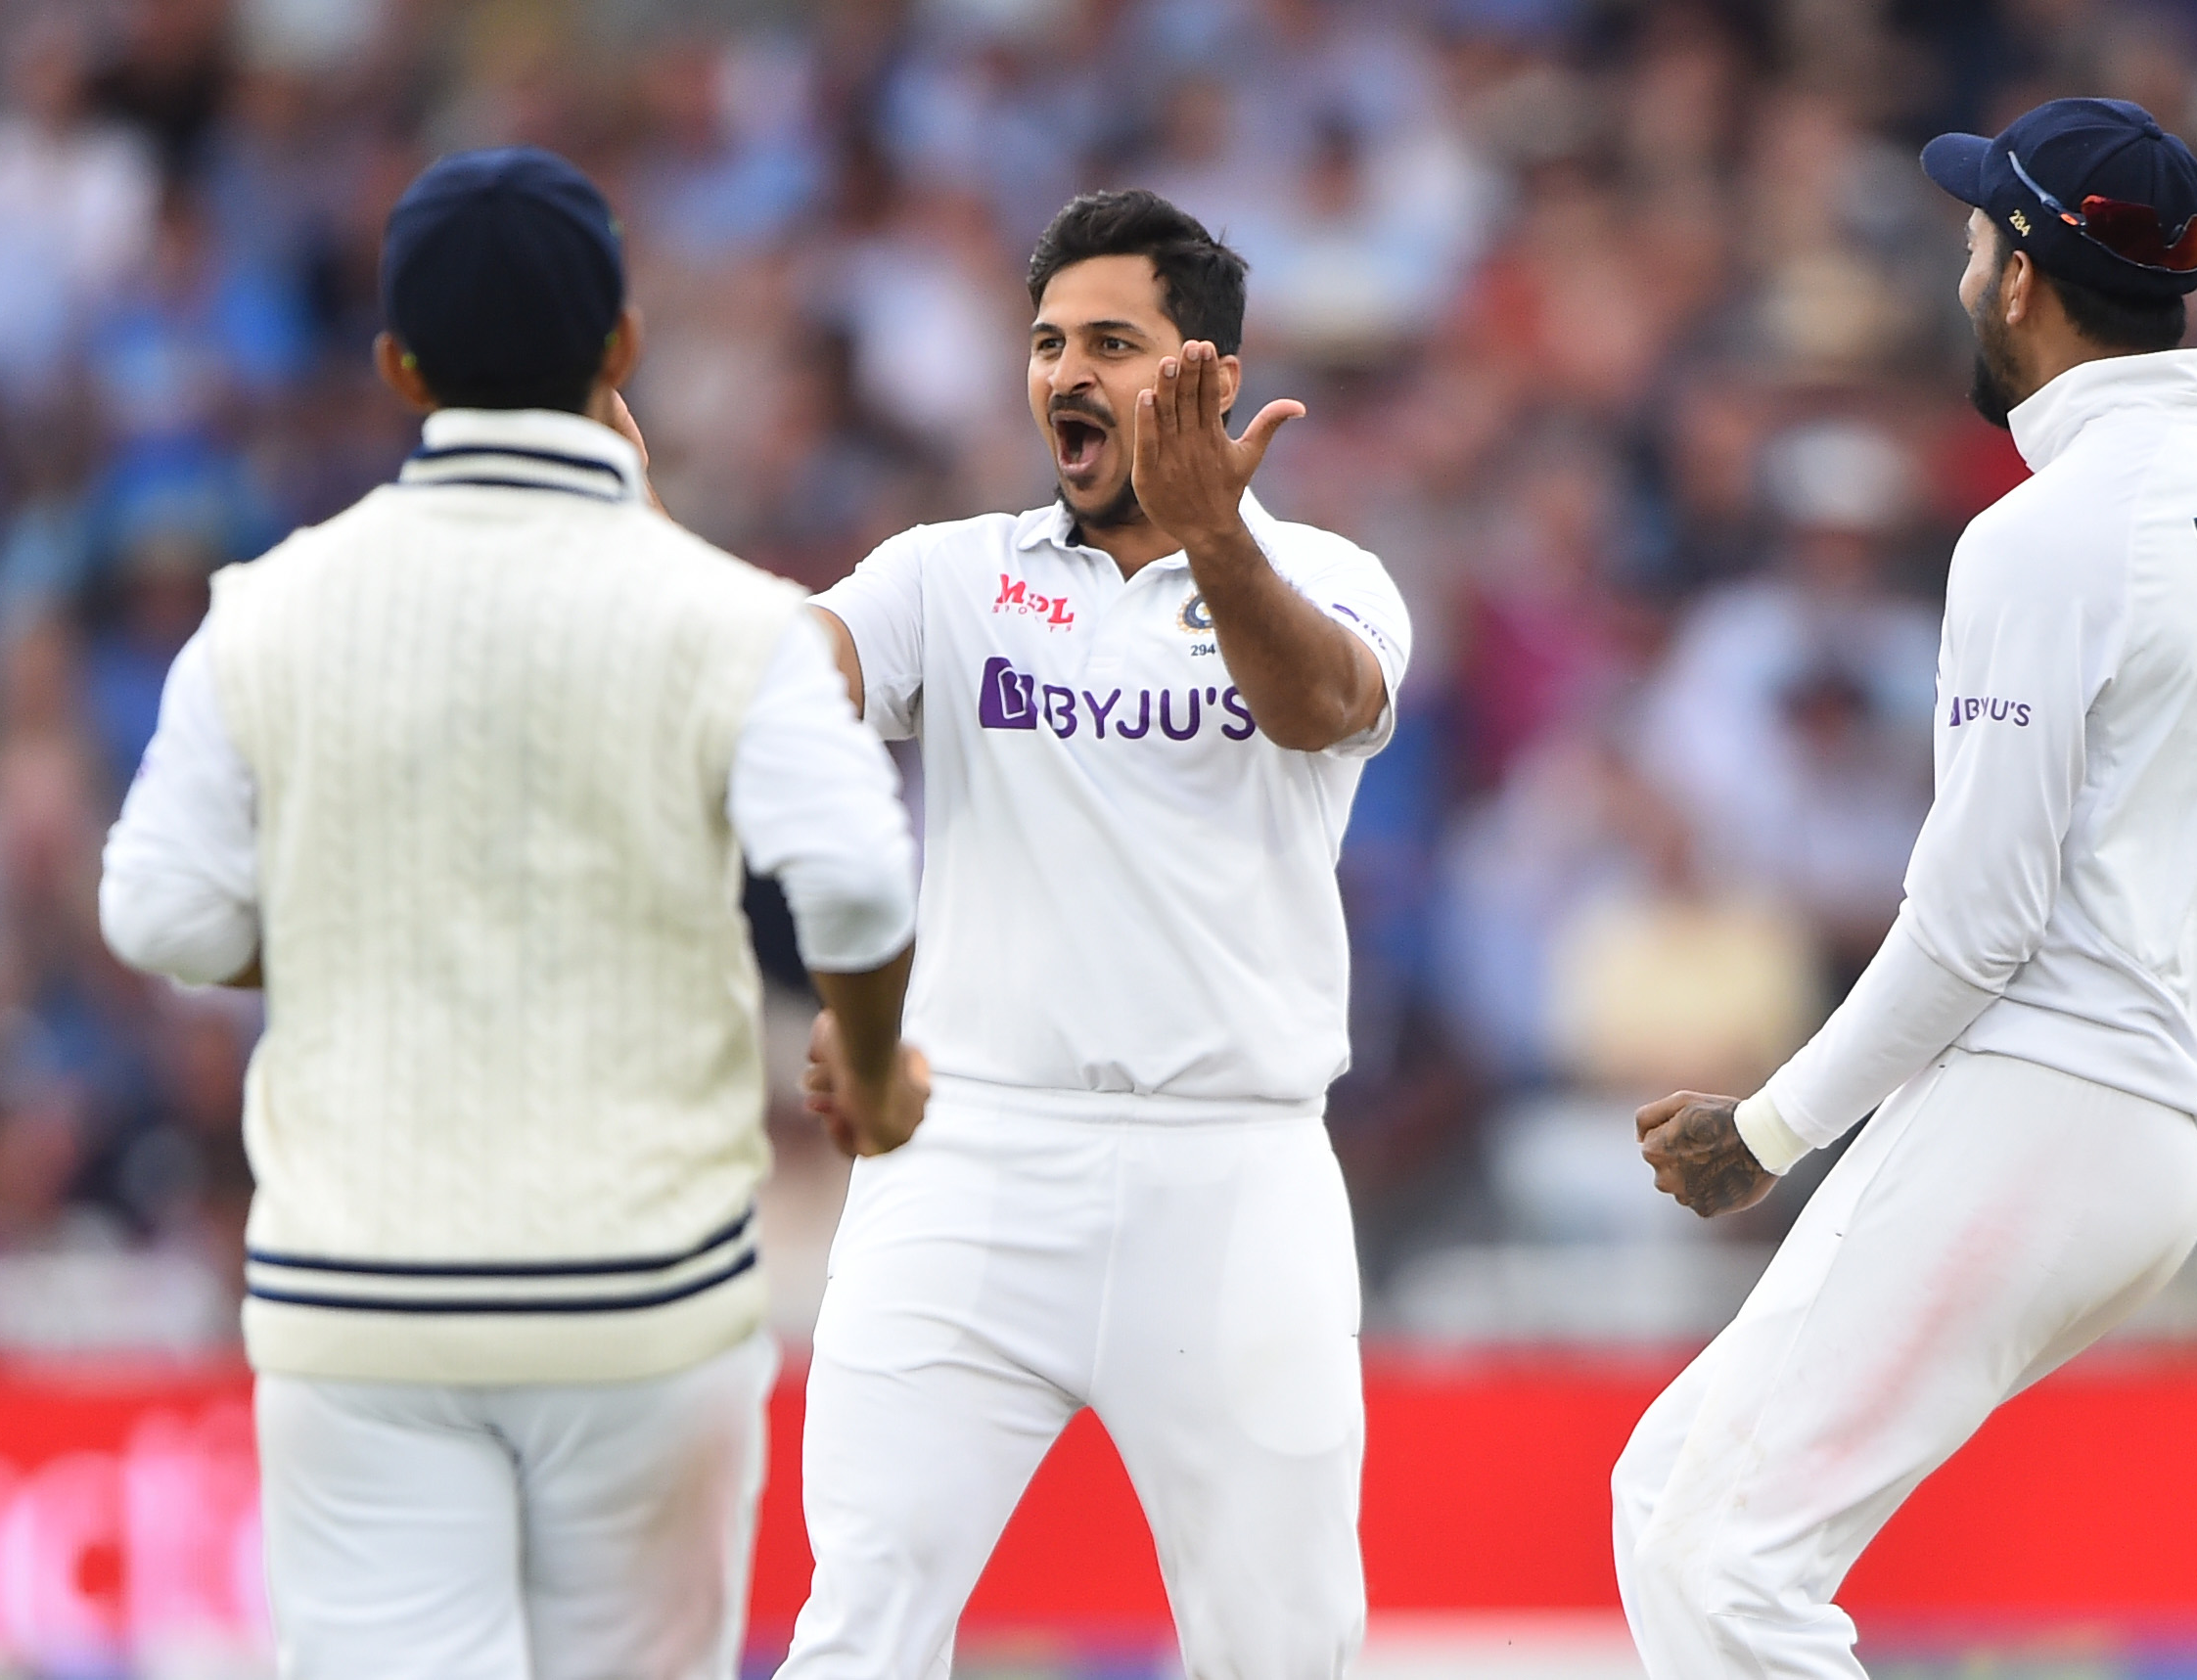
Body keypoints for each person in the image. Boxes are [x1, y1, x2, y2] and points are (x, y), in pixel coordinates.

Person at [97, 148, 925, 1680]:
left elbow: (157, 909)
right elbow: (864, 879)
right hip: (646, 1302)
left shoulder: (263, 605)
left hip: (358, 1303)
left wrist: (346, 921)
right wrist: (871, 1072)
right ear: (619, 349)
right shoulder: (728, 615)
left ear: (396, 368)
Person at [1612, 100, 2197, 1677]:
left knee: (1723, 1563)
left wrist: (1766, 1130)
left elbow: (1973, 926)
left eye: (1971, 240)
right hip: (2155, 1125)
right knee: (1668, 1492)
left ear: (2021, 275)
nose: (1958, 272)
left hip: (2050, 1094)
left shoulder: (2048, 532)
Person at [776, 189, 1412, 1677]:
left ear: (1210, 378)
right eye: (1047, 341)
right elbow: (780, 690)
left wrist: (1212, 545)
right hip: (969, 1158)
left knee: (1286, 1648)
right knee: (857, 1630)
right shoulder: (949, 572)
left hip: (1234, 1174)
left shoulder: (1328, 578)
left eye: (1111, 342)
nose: (1064, 372)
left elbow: (1314, 703)